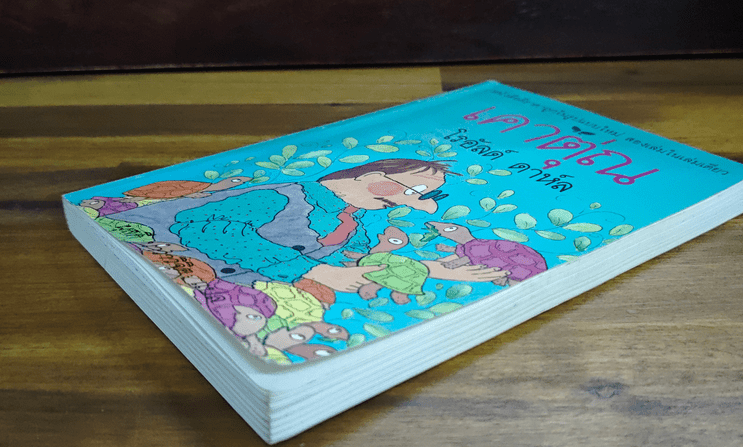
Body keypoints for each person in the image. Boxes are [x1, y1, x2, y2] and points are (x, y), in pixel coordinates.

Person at [123, 157, 508, 294]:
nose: (414, 201)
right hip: (147, 252)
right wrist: (315, 271)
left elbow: (352, 265)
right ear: (370, 175)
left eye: (423, 197)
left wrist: (428, 269)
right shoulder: (282, 195)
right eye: (412, 190)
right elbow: (206, 229)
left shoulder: (353, 225)